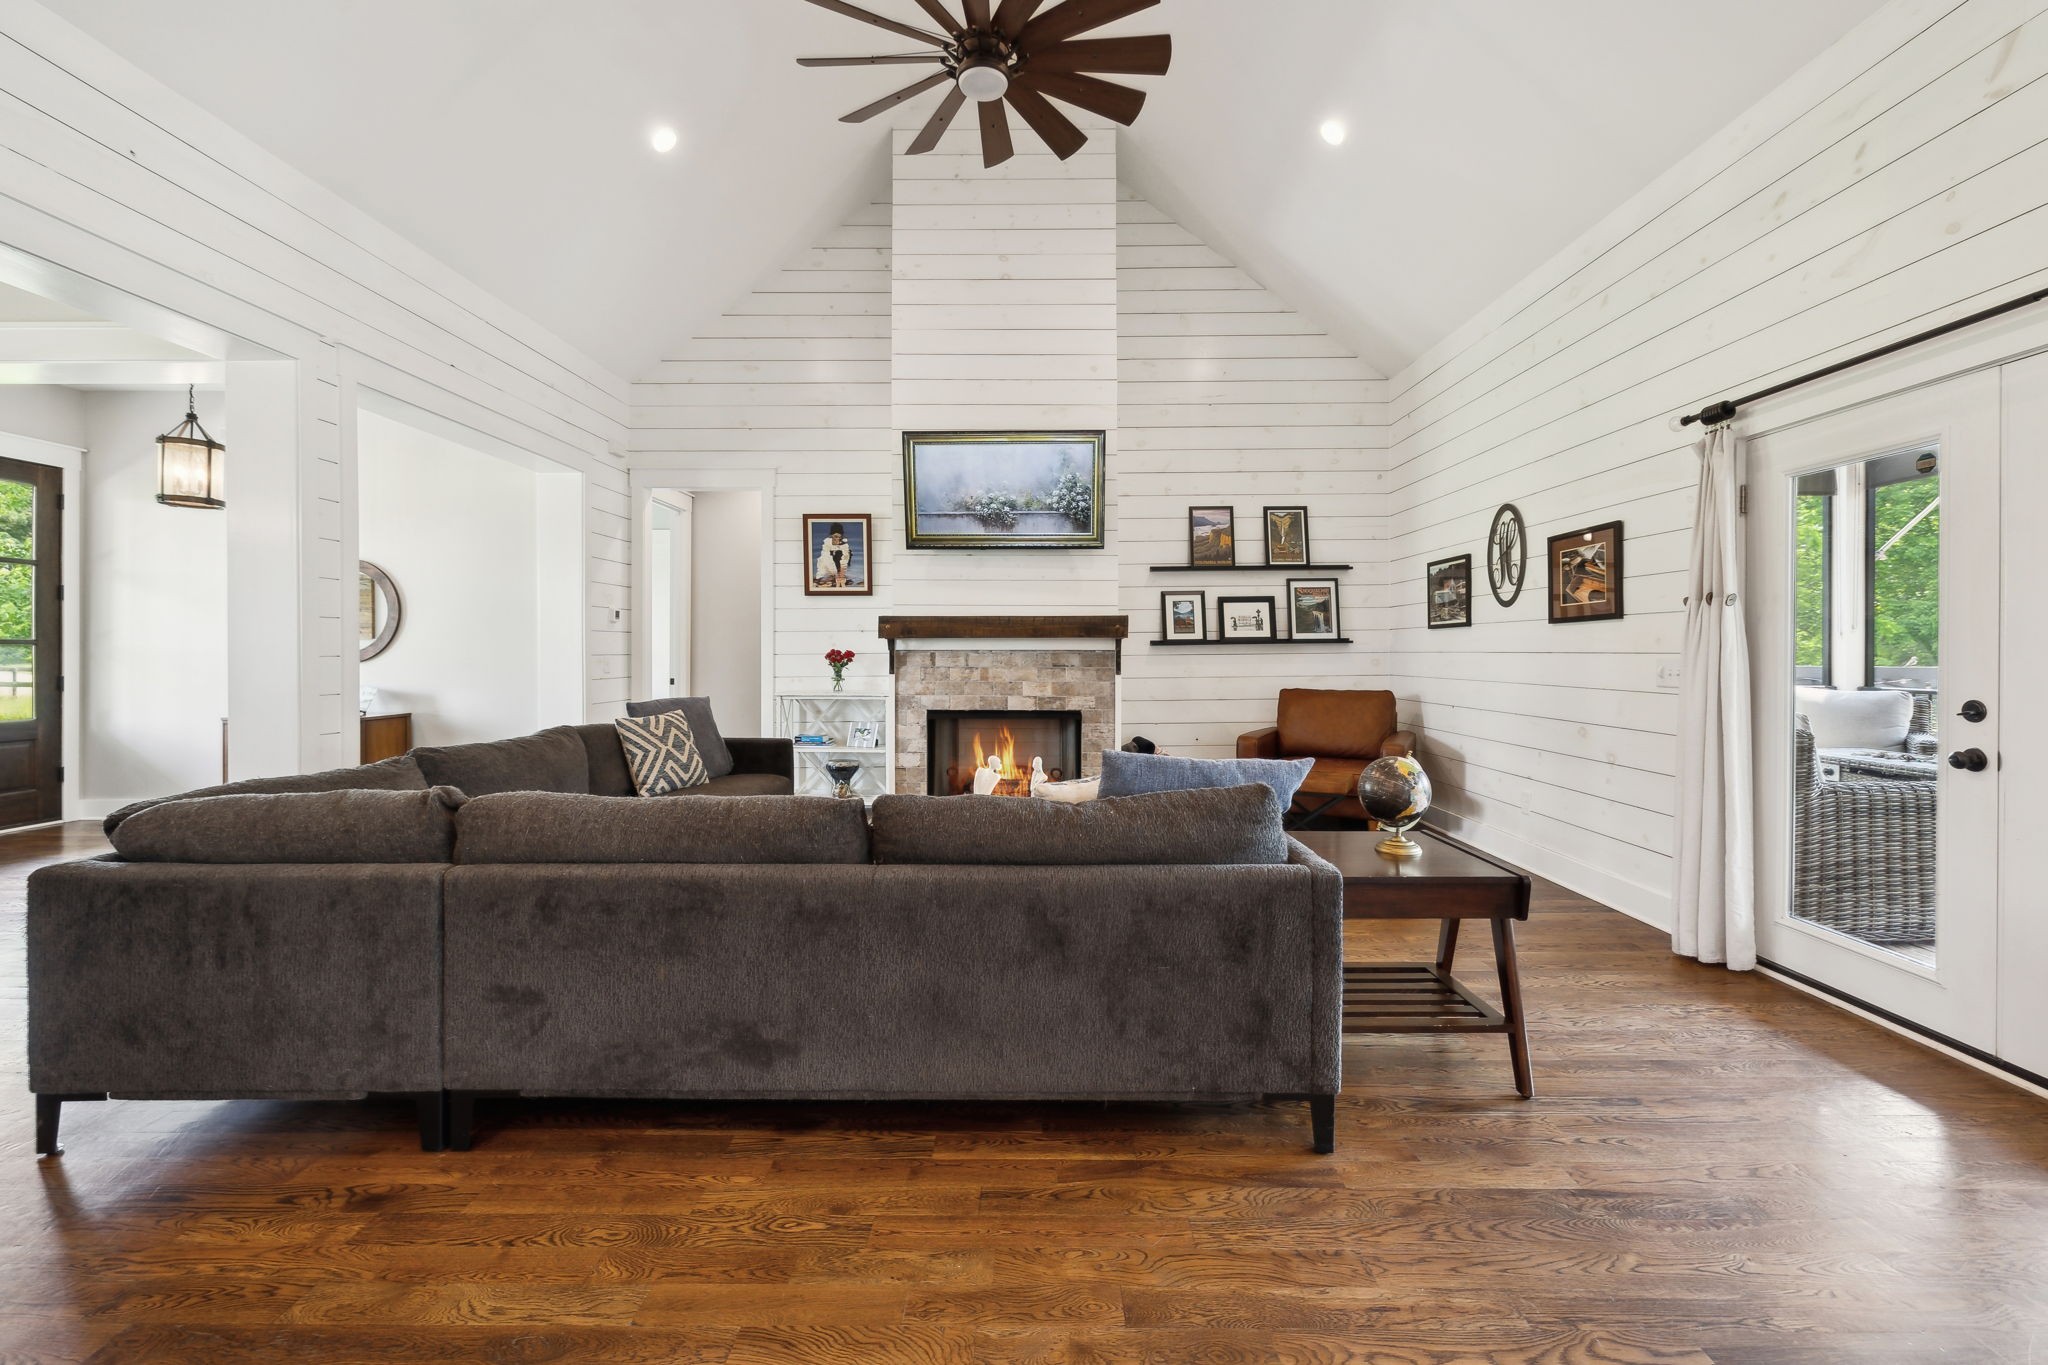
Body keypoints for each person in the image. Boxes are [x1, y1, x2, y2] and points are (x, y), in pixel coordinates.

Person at [815, 523, 853, 589]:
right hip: (827, 565)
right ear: (831, 535)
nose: (838, 539)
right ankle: (832, 576)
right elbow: (825, 559)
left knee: (848, 553)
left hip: (839, 564)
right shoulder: (827, 543)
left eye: (840, 537)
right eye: (835, 536)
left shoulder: (845, 545)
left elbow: (845, 559)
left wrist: (841, 574)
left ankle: (838, 575)